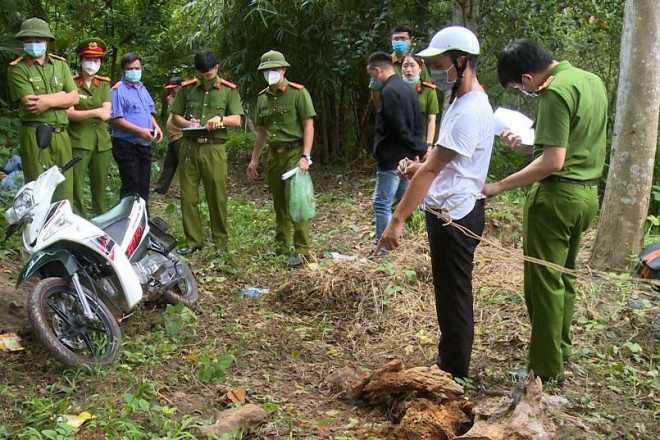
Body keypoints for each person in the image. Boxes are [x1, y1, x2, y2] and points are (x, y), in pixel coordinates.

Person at [483, 39, 607, 386]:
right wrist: (528, 146)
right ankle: (561, 349)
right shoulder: (589, 80)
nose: (527, 94)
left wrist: (500, 186)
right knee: (563, 276)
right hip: (586, 195)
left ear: (527, 77)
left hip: (555, 197)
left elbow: (553, 162)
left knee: (543, 284)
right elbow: (571, 141)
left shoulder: (553, 91)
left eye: (521, 89)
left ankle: (545, 369)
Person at [376, 26, 493, 380]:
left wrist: (396, 220)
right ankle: (448, 364)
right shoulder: (459, 101)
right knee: (447, 293)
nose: (437, 73)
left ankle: (454, 374)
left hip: (456, 216)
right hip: (446, 210)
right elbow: (436, 164)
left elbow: (431, 173)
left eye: (441, 64)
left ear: (461, 61)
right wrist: (417, 166)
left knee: (454, 295)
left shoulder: (471, 109)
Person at [247, 50, 316, 268]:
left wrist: (306, 155)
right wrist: (254, 159)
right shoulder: (262, 98)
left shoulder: (298, 93)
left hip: (294, 153)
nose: (271, 74)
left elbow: (308, 125)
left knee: (296, 201)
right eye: (266, 71)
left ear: (283, 70)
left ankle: (302, 250)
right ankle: (281, 245)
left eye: (274, 69)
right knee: (279, 202)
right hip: (273, 155)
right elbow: (261, 131)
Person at [170, 52, 244, 255]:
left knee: (217, 195)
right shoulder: (187, 89)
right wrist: (187, 123)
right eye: (201, 74)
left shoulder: (228, 90)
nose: (205, 78)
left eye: (209, 74)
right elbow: (175, 115)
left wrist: (220, 119)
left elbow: (237, 119)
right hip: (190, 147)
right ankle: (194, 241)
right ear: (196, 72)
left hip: (214, 148)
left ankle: (220, 242)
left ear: (217, 68)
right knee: (188, 195)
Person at [7, 17, 79, 202]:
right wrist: (62, 97)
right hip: (35, 134)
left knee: (64, 192)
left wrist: (50, 101)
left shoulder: (60, 65)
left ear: (47, 41)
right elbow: (33, 105)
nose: (33, 44)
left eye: (38, 40)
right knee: (39, 192)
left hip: (62, 135)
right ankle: (38, 231)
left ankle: (62, 230)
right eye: (28, 40)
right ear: (23, 42)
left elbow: (75, 97)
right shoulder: (18, 69)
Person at [366, 51, 426, 251]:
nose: (373, 80)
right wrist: (419, 147)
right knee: (405, 201)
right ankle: (411, 245)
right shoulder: (408, 89)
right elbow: (419, 122)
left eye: (372, 75)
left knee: (382, 202)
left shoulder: (390, 91)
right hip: (408, 157)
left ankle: (382, 247)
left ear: (377, 70)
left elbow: (398, 126)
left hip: (392, 158)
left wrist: (418, 148)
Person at [66, 38, 112, 217]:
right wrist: (96, 112)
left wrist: (93, 112)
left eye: (96, 60)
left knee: (100, 186)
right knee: (76, 185)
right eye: (88, 59)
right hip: (78, 140)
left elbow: (106, 111)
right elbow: (69, 113)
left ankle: (101, 220)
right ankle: (78, 219)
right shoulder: (71, 83)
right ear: (81, 60)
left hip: (101, 142)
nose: (92, 63)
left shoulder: (104, 83)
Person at [110, 52, 163, 204]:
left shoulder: (141, 88)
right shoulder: (118, 90)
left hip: (144, 144)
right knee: (131, 186)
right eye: (130, 69)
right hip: (126, 145)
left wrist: (156, 127)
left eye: (137, 68)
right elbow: (116, 120)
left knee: (143, 186)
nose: (134, 72)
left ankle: (142, 222)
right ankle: (127, 221)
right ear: (123, 70)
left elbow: (149, 112)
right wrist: (140, 131)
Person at [370, 25, 432, 107]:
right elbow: (375, 92)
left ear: (409, 41)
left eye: (403, 39)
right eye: (396, 39)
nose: (399, 41)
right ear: (391, 41)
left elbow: (428, 88)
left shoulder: (418, 63)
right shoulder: (383, 64)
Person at [401, 54, 440, 147]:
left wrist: (429, 144)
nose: (409, 69)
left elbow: (431, 119)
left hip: (419, 142)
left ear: (420, 68)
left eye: (412, 65)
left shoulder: (428, 90)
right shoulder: (394, 89)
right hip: (398, 143)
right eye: (405, 66)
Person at [154, 77, 183, 195]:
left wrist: (172, 104)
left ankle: (185, 190)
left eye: (174, 88)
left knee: (184, 166)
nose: (172, 91)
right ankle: (160, 189)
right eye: (170, 89)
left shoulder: (184, 99)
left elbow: (180, 116)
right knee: (169, 164)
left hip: (181, 137)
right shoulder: (175, 98)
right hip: (173, 138)